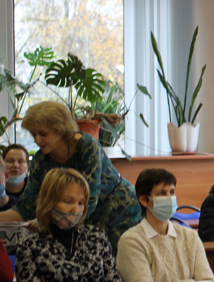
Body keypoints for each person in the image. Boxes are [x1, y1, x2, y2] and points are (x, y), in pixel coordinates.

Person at [0, 102, 141, 253]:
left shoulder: (86, 146)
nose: (37, 140)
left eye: (43, 134)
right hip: (77, 218)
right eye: (34, 135)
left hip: (120, 210)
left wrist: (43, 223)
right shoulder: (40, 160)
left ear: (61, 129)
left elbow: (89, 200)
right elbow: (24, 208)